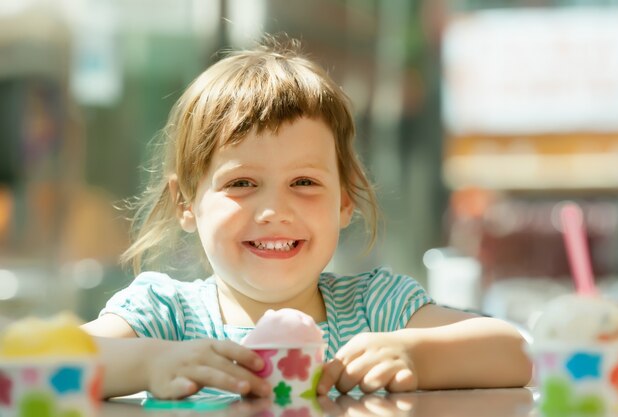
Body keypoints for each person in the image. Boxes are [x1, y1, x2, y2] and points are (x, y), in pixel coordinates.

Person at [82, 38, 532, 400]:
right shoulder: (167, 316)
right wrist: (148, 362)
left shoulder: (375, 308)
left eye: (303, 182)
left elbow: (514, 352)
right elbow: (44, 363)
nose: (275, 211)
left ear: (344, 200)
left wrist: (415, 354)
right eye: (241, 183)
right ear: (186, 203)